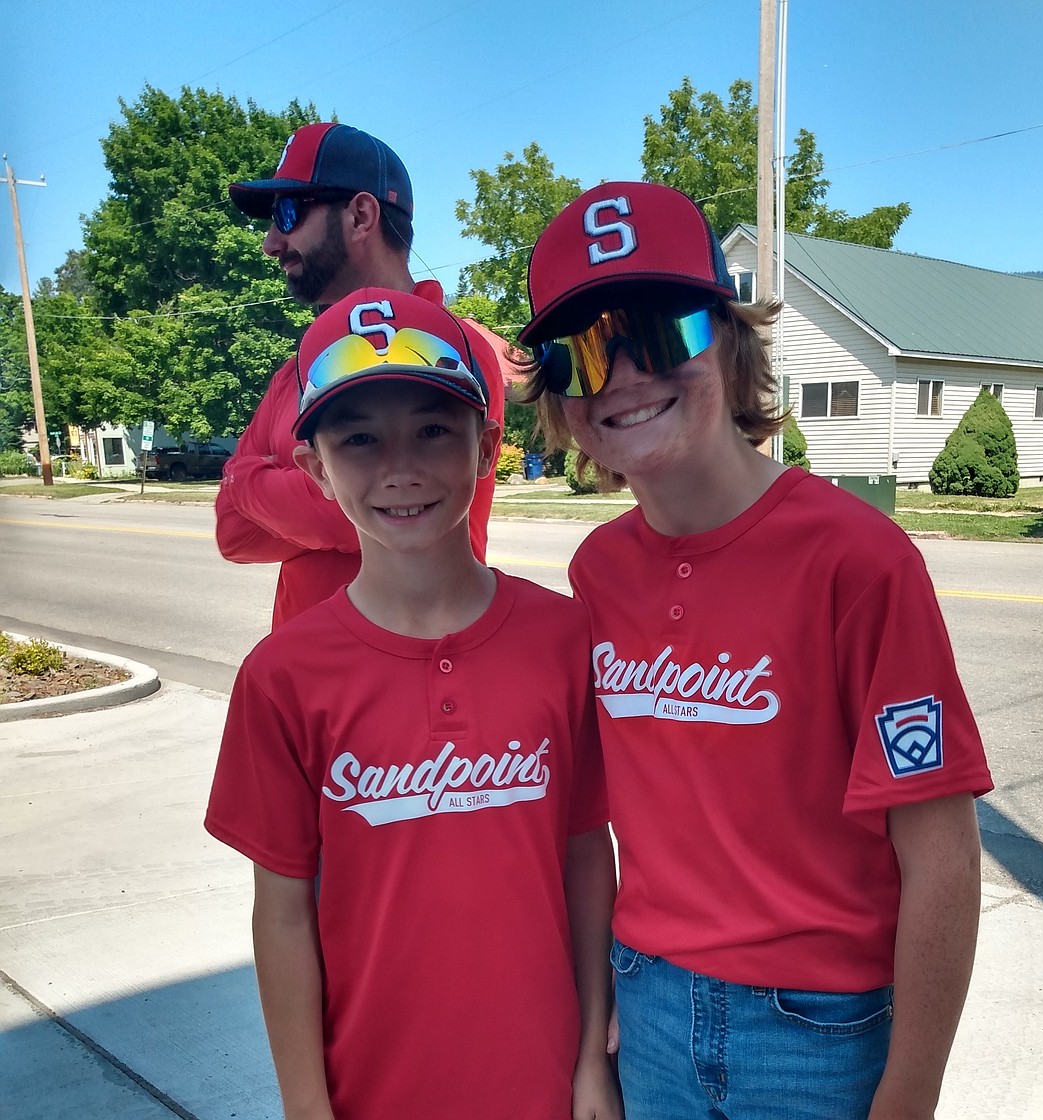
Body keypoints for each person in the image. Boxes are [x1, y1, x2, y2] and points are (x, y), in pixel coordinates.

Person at [518, 181, 994, 1120]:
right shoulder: (598, 572)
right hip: (648, 1008)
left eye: (660, 335)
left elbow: (940, 854)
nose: (620, 376)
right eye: (580, 354)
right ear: (558, 399)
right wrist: (599, 1019)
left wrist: (911, 1094)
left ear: (730, 343)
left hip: (818, 1028)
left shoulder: (857, 559)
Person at [205, 288, 621, 1120]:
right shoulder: (283, 675)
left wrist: (591, 1063)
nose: (400, 466)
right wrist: (305, 1105)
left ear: (487, 444)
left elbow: (586, 859)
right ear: (316, 468)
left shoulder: (563, 638)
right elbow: (283, 916)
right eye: (359, 438)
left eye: (434, 428)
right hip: (371, 1089)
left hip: (543, 1084)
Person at [217, 122, 505, 628]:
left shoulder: (454, 350)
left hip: (431, 671)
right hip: (304, 683)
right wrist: (309, 505)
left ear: (361, 215)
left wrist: (247, 477)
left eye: (288, 213)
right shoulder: (297, 369)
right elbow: (233, 534)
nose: (270, 242)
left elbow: (386, 514)